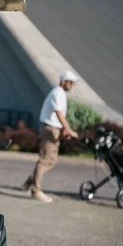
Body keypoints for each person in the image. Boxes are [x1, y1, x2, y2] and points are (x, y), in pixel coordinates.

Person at [23, 70, 79, 203]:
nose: (72, 85)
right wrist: (68, 130)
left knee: (51, 160)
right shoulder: (58, 93)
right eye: (71, 82)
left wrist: (63, 130)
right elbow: (58, 114)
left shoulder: (60, 94)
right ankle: (35, 190)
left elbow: (58, 116)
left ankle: (30, 183)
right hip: (49, 129)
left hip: (54, 128)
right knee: (45, 160)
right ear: (63, 82)